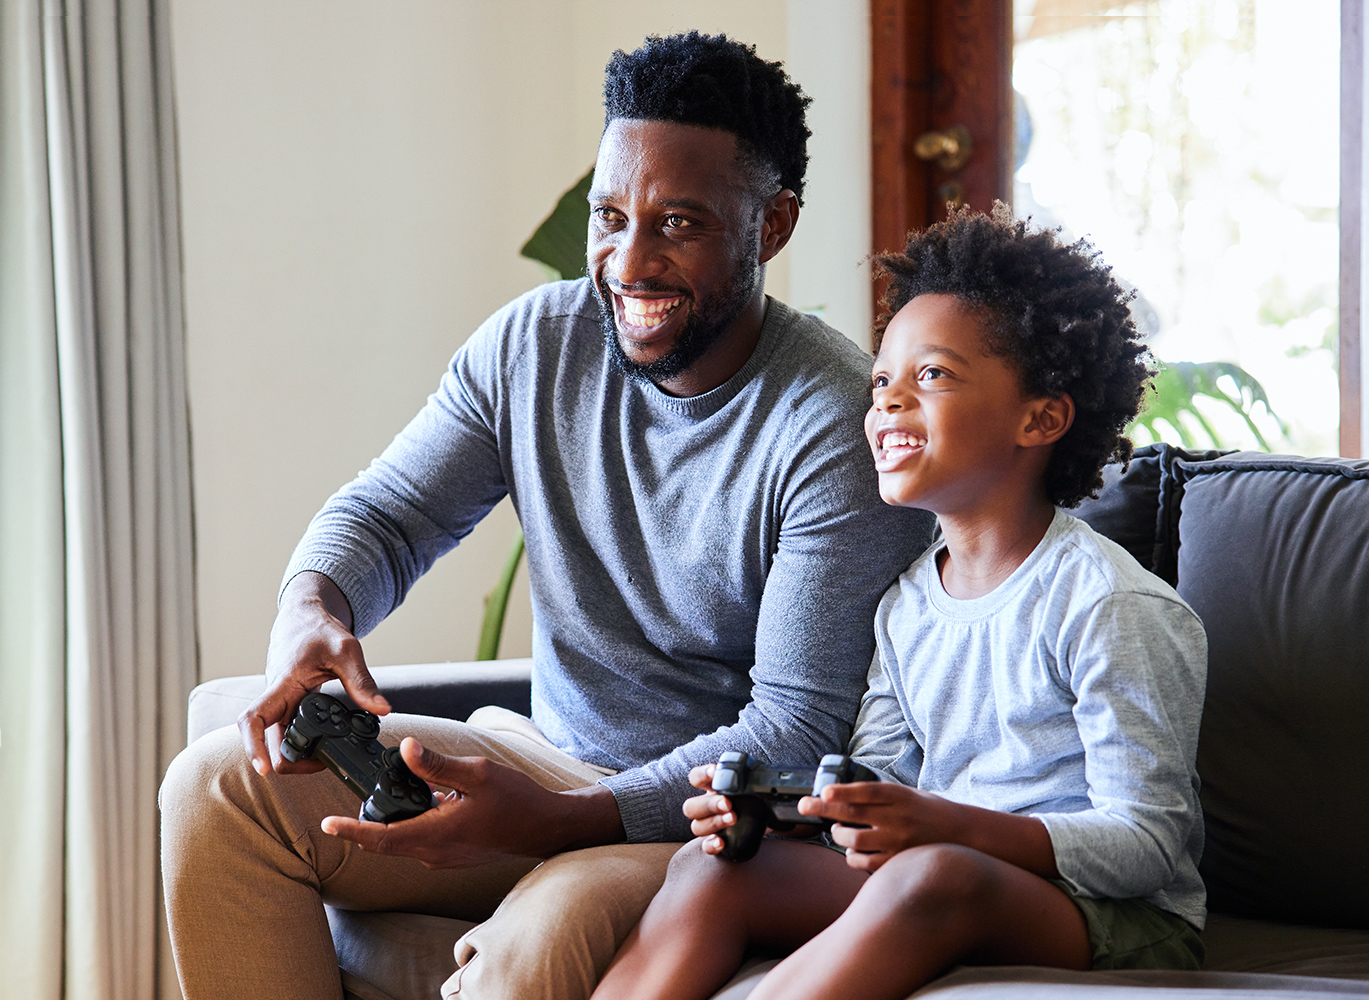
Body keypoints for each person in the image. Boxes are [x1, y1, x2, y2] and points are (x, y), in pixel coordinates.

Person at [158, 32, 936, 1000]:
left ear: (771, 225)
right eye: (610, 217)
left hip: (715, 823)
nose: (630, 261)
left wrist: (557, 821)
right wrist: (312, 607)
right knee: (216, 788)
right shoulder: (537, 343)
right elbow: (392, 513)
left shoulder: (833, 422)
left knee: (535, 940)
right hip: (542, 756)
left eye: (680, 223)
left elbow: (791, 724)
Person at [591, 206, 1210, 1000]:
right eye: (882, 379)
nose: (887, 404)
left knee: (935, 878)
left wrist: (948, 828)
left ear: (1041, 417)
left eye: (934, 375)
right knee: (712, 866)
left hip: (1120, 918)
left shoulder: (1110, 605)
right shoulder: (908, 605)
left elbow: (1148, 842)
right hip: (939, 872)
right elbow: (880, 774)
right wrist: (785, 809)